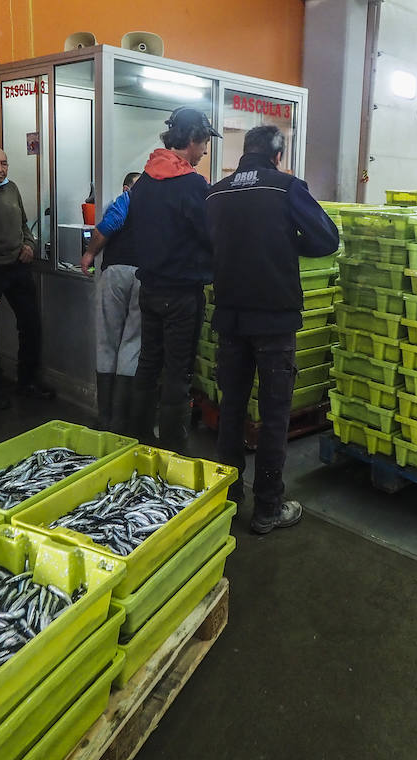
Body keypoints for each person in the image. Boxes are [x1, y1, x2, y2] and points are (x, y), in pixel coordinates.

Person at [208, 126, 340, 533]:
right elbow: (327, 238)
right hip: (274, 319)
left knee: (231, 407)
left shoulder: (215, 192)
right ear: (277, 156)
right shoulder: (285, 188)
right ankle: (268, 507)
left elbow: (205, 243)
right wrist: (287, 243)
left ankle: (228, 496)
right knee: (275, 413)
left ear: (245, 151)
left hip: (230, 317)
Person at [125, 107, 219, 452]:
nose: (205, 151)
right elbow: (210, 233)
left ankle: (138, 439)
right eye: (204, 143)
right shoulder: (192, 184)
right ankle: (173, 451)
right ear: (192, 139)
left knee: (148, 362)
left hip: (149, 289)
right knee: (178, 372)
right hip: (182, 294)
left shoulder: (145, 181)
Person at [0, 146, 53, 408]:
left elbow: (24, 224)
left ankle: (27, 381)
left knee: (31, 324)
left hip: (17, 266)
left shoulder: (12, 188)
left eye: (3, 163)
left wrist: (29, 245)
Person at [81, 171, 143, 431]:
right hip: (145, 275)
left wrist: (89, 253)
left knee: (107, 340)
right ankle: (122, 419)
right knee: (133, 342)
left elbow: (106, 227)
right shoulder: (157, 203)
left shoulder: (126, 199)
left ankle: (105, 417)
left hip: (116, 270)